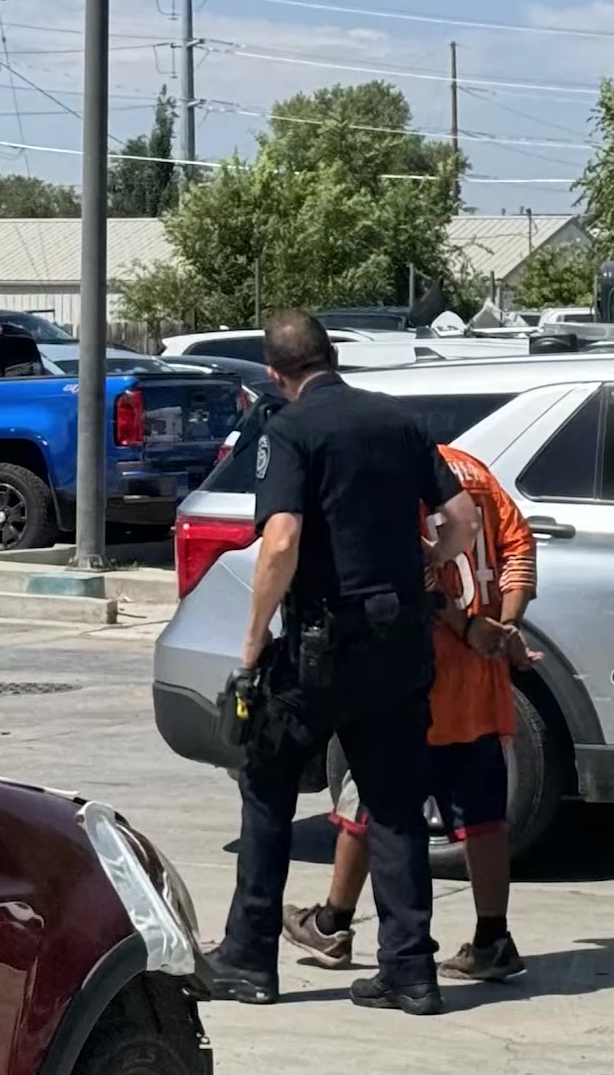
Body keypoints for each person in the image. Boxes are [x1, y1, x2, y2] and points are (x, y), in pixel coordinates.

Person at [197, 310, 480, 1016]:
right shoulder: (399, 422)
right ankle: (410, 972)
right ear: (330, 356)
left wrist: (254, 641)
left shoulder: (289, 429)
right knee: (394, 808)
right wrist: (430, 560)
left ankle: (250, 959)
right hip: (398, 645)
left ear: (275, 372)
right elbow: (464, 519)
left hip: (321, 650)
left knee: (266, 791)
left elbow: (282, 540)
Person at [283, 444, 539, 982]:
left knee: (370, 795)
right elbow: (520, 549)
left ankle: (333, 922)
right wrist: (505, 627)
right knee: (484, 814)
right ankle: (493, 937)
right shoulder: (477, 470)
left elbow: (412, 578)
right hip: (482, 680)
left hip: (419, 673)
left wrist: (463, 624)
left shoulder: (404, 475)